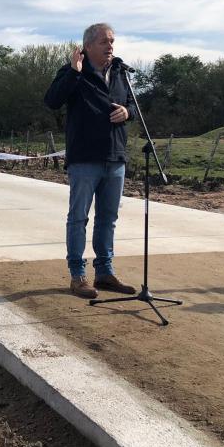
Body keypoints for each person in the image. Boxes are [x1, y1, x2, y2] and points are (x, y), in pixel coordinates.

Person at [44, 23, 138, 299]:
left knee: (108, 218)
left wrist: (127, 112)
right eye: (104, 42)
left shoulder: (121, 72)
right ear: (87, 46)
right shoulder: (74, 72)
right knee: (78, 218)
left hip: (115, 157)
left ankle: (105, 273)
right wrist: (73, 72)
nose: (110, 46)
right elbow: (52, 100)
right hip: (85, 158)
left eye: (112, 41)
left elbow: (133, 105)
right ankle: (78, 276)